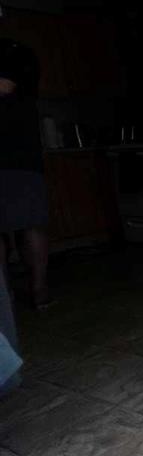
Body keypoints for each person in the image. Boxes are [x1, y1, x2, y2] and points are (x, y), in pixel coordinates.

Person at [0, 37, 50, 309]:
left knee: (31, 224)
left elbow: (5, 86)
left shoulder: (16, 53)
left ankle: (38, 290)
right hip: (20, 156)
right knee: (27, 224)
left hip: (18, 155)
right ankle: (9, 295)